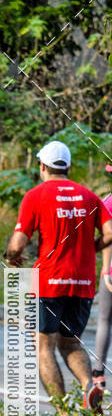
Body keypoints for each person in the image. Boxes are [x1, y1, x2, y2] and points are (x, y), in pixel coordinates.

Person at [6, 140, 112, 414]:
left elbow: (18, 244)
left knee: (44, 346)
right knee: (70, 341)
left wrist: (11, 256)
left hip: (49, 280)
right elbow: (110, 232)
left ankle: (64, 413)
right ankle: (89, 384)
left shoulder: (35, 195)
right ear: (67, 167)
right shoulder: (89, 196)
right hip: (84, 282)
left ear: (42, 166)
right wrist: (92, 247)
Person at [92, 164, 112, 395]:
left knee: (105, 320)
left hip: (111, 272)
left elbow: (107, 238)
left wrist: (106, 270)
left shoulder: (108, 202)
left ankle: (98, 373)